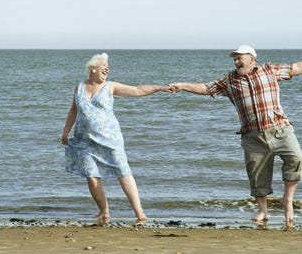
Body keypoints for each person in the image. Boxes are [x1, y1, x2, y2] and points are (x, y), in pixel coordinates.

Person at [169, 45, 302, 228]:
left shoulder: (269, 69)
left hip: (280, 129)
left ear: (251, 58)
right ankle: (262, 211)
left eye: (239, 57)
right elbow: (206, 88)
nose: (236, 61)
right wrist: (182, 86)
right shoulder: (230, 80)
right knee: (257, 175)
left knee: (296, 158)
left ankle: (287, 200)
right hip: (252, 135)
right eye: (234, 59)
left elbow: (295, 68)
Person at [61, 52, 172, 226]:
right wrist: (65, 131)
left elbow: (137, 90)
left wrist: (159, 88)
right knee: (91, 176)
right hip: (84, 140)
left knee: (123, 172)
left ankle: (140, 214)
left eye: (107, 66)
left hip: (110, 139)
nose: (107, 68)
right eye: (103, 65)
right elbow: (73, 110)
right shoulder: (79, 87)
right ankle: (104, 212)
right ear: (92, 69)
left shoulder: (110, 86)